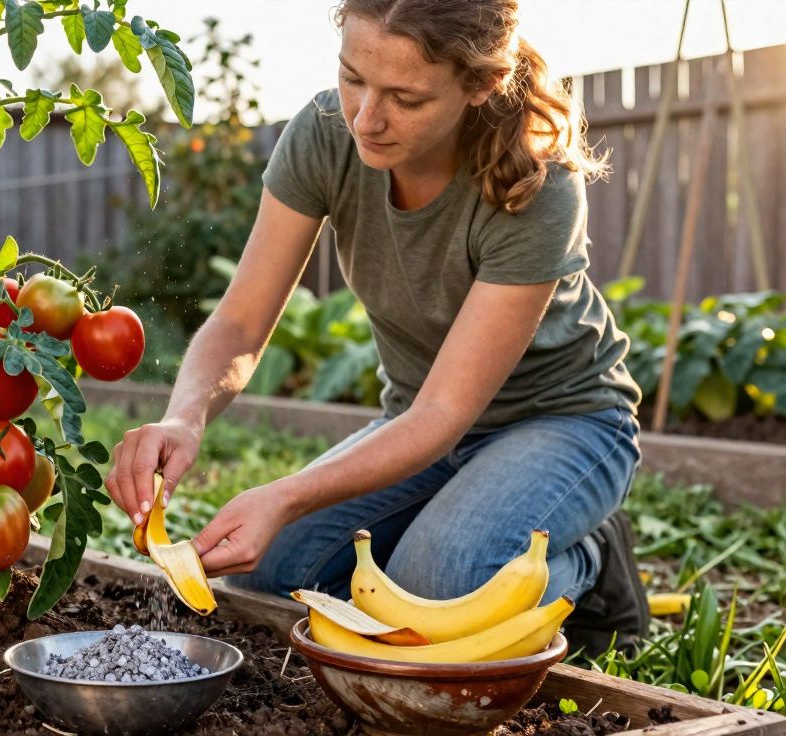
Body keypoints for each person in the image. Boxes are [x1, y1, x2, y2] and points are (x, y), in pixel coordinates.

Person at [105, 0, 650, 655]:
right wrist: (184, 417)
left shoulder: (538, 184)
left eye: (406, 98)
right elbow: (243, 319)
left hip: (564, 422)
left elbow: (445, 411)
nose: (366, 117)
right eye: (353, 78)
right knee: (272, 570)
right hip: (416, 422)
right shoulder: (324, 134)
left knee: (437, 585)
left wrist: (286, 494)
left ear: (477, 86)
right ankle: (458, 514)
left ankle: (590, 561)